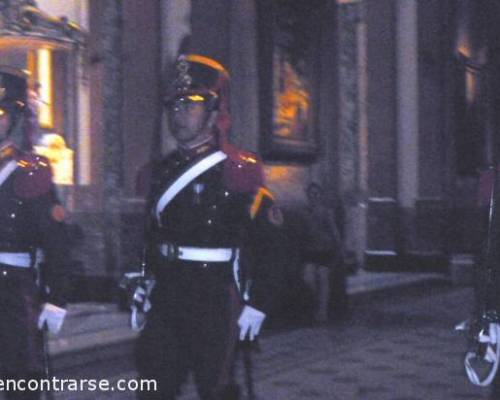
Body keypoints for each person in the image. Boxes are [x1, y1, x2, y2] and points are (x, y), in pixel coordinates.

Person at [134, 54, 282, 400]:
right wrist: (140, 278)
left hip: (214, 296)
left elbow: (273, 246)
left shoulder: (237, 170)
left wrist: (259, 303)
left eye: (192, 104)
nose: (178, 113)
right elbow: (151, 234)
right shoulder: (159, 171)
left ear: (215, 112)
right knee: (153, 382)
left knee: (215, 387)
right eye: (173, 104)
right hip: (167, 291)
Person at [0, 66, 69, 399]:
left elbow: (56, 242)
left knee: (19, 380)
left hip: (13, 290)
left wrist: (56, 298)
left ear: (13, 117)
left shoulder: (32, 172)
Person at [301, 182, 345, 323]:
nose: (314, 196)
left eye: (316, 194)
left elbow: (334, 232)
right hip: (311, 251)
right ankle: (316, 303)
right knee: (309, 278)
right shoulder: (305, 211)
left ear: (320, 196)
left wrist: (338, 249)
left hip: (326, 250)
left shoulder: (326, 212)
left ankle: (322, 311)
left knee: (322, 276)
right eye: (311, 194)